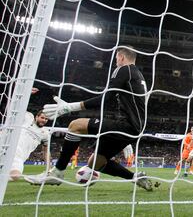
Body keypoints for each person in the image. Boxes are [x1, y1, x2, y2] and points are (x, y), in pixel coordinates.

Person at [25, 46, 153, 191]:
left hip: (128, 125)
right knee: (95, 163)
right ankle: (136, 177)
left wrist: (69, 107)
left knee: (75, 125)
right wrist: (125, 138)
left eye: (117, 57)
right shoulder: (140, 76)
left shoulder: (123, 70)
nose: (116, 61)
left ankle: (57, 172)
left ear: (122, 57)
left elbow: (104, 99)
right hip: (135, 127)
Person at [9, 110, 49, 181]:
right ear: (36, 117)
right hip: (8, 148)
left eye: (46, 119)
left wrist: (48, 167)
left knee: (15, 176)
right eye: (42, 118)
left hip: (19, 157)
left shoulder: (46, 134)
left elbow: (46, 152)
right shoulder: (28, 118)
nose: (44, 120)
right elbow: (17, 107)